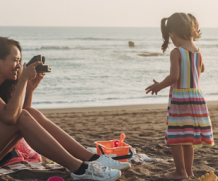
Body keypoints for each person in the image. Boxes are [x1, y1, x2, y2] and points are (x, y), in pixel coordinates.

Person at [0, 37, 130, 181]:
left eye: (19, 61)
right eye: (15, 60)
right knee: (24, 116)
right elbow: (11, 118)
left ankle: (93, 159)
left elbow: (20, 117)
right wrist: (23, 80)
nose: (18, 66)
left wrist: (30, 89)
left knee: (29, 113)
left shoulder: (5, 86)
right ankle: (79, 169)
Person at [145, 13, 214, 180]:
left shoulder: (177, 52)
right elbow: (201, 69)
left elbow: (174, 77)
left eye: (171, 36)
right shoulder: (198, 52)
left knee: (175, 135)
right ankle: (188, 171)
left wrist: (158, 86)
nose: (171, 40)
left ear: (174, 33)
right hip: (196, 98)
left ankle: (180, 171)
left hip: (181, 98)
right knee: (188, 136)